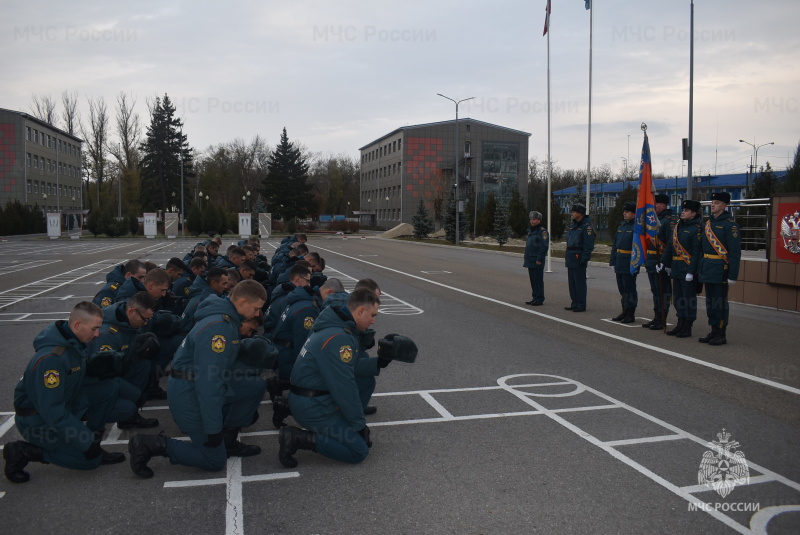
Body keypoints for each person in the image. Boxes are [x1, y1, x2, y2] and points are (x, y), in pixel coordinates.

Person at [127, 280, 268, 478]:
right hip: (189, 394)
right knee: (214, 460)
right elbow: (208, 383)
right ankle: (149, 444)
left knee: (254, 385)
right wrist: (213, 428)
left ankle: (228, 441)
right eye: (256, 309)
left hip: (194, 383)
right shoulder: (219, 328)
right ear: (243, 302)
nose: (256, 314)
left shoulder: (225, 317)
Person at [4, 302, 126, 483]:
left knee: (109, 389)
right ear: (77, 325)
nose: (97, 334)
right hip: (38, 422)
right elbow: (52, 410)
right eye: (94, 329)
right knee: (89, 461)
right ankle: (24, 451)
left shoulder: (73, 343)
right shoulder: (51, 360)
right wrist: (83, 441)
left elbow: (75, 378)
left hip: (65, 404)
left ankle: (93, 442)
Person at [277, 288, 379, 468]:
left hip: (308, 397)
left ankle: (286, 406)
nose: (373, 321)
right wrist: (359, 424)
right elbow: (344, 387)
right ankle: (297, 438)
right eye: (372, 315)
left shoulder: (336, 326)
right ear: (360, 311)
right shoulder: (338, 337)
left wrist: (382, 362)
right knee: (359, 451)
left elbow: (352, 366)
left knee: (366, 380)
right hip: (313, 406)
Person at [85, 291, 161, 430]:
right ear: (132, 311)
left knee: (143, 365)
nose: (145, 323)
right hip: (97, 383)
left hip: (116, 371)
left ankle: (130, 413)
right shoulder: (106, 334)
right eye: (144, 319)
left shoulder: (127, 322)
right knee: (129, 405)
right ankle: (94, 420)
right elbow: (104, 375)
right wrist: (133, 393)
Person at [697, 192, 741, 346]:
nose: (712, 205)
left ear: (724, 205)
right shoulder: (708, 224)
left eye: (716, 202)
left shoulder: (730, 225)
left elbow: (735, 253)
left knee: (720, 303)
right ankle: (713, 329)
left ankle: (721, 332)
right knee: (710, 302)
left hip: (721, 269)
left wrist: (732, 275)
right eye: (712, 202)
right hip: (708, 267)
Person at [661, 199, 703, 337]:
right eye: (683, 210)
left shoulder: (697, 229)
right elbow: (669, 246)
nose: (682, 212)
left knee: (688, 298)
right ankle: (680, 322)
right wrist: (664, 263)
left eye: (686, 210)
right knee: (678, 298)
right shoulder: (678, 226)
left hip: (687, 269)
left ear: (693, 213)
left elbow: (697, 252)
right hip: (676, 268)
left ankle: (688, 325)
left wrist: (692, 271)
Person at [642, 194, 676, 330]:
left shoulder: (669, 221)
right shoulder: (652, 220)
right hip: (651, 260)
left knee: (663, 291)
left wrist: (665, 262)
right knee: (655, 290)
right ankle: (656, 316)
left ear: (663, 205)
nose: (653, 206)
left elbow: (670, 243)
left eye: (656, 204)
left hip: (661, 261)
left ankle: (662, 318)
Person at [609, 203, 639, 323]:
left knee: (629, 288)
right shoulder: (622, 225)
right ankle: (624, 310)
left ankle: (630, 313)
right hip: (620, 259)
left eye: (627, 211)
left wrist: (635, 263)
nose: (624, 213)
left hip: (629, 261)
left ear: (634, 213)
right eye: (624, 211)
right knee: (622, 288)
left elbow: (638, 247)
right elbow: (615, 244)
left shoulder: (637, 227)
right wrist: (612, 261)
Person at [564, 204, 595, 312]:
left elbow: (588, 245)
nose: (572, 213)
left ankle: (581, 304)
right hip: (571, 256)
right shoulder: (574, 225)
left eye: (574, 212)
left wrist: (584, 258)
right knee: (572, 283)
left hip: (578, 256)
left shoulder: (586, 227)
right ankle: (575, 302)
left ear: (580, 213)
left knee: (579, 282)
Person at [523, 211, 549, 306]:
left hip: (537, 260)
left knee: (538, 280)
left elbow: (544, 246)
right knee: (533, 280)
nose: (532, 221)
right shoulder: (531, 231)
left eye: (534, 219)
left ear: (539, 220)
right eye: (531, 219)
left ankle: (539, 298)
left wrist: (539, 259)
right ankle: (535, 297)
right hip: (530, 259)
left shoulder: (542, 232)